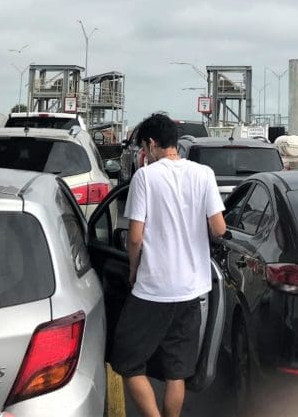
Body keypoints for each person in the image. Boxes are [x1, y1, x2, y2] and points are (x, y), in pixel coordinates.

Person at [110, 112, 226, 417]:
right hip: (191, 289)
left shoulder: (145, 177)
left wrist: (134, 269)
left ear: (150, 144)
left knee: (127, 361)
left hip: (152, 290)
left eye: (143, 149)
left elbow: (135, 237)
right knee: (177, 372)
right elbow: (219, 228)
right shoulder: (204, 174)